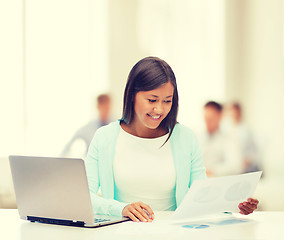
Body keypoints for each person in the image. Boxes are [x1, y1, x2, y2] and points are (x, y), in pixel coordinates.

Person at [85, 57, 258, 222]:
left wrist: (235, 205)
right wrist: (121, 209)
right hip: (120, 233)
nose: (159, 109)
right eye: (152, 100)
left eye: (167, 101)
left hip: (173, 233)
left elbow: (204, 195)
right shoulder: (104, 138)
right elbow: (84, 197)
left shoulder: (186, 138)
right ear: (132, 95)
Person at [199, 101, 243, 177]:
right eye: (206, 119)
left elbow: (235, 166)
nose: (207, 123)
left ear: (219, 116)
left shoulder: (229, 139)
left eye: (211, 119)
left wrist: (212, 170)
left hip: (218, 179)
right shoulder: (198, 137)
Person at [60, 94, 112, 158]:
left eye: (107, 107)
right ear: (98, 106)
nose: (106, 110)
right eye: (104, 107)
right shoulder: (87, 128)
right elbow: (67, 146)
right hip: (92, 164)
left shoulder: (118, 125)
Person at [222, 102, 261, 173]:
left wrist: (248, 159)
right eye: (231, 112)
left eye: (235, 112)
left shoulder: (246, 130)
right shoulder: (226, 128)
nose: (233, 114)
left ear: (239, 113)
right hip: (231, 166)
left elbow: (254, 151)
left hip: (245, 166)